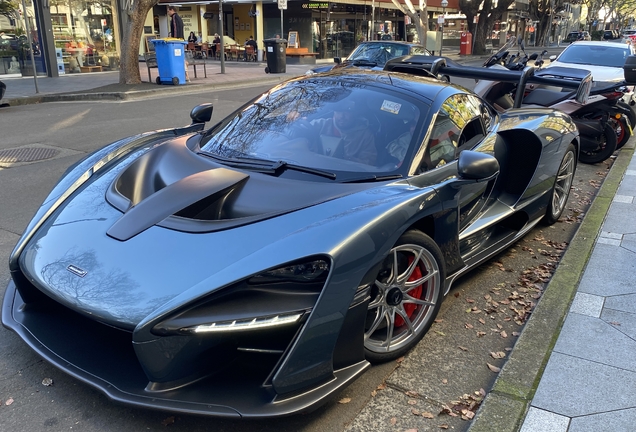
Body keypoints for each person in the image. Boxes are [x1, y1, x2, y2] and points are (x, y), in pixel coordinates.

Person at [290, 101, 377, 165]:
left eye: (347, 112)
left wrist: (344, 159)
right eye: (338, 111)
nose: (342, 116)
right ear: (334, 112)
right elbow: (294, 140)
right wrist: (294, 121)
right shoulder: (319, 125)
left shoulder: (365, 135)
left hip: (345, 179)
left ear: (355, 114)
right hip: (312, 170)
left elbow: (369, 162)